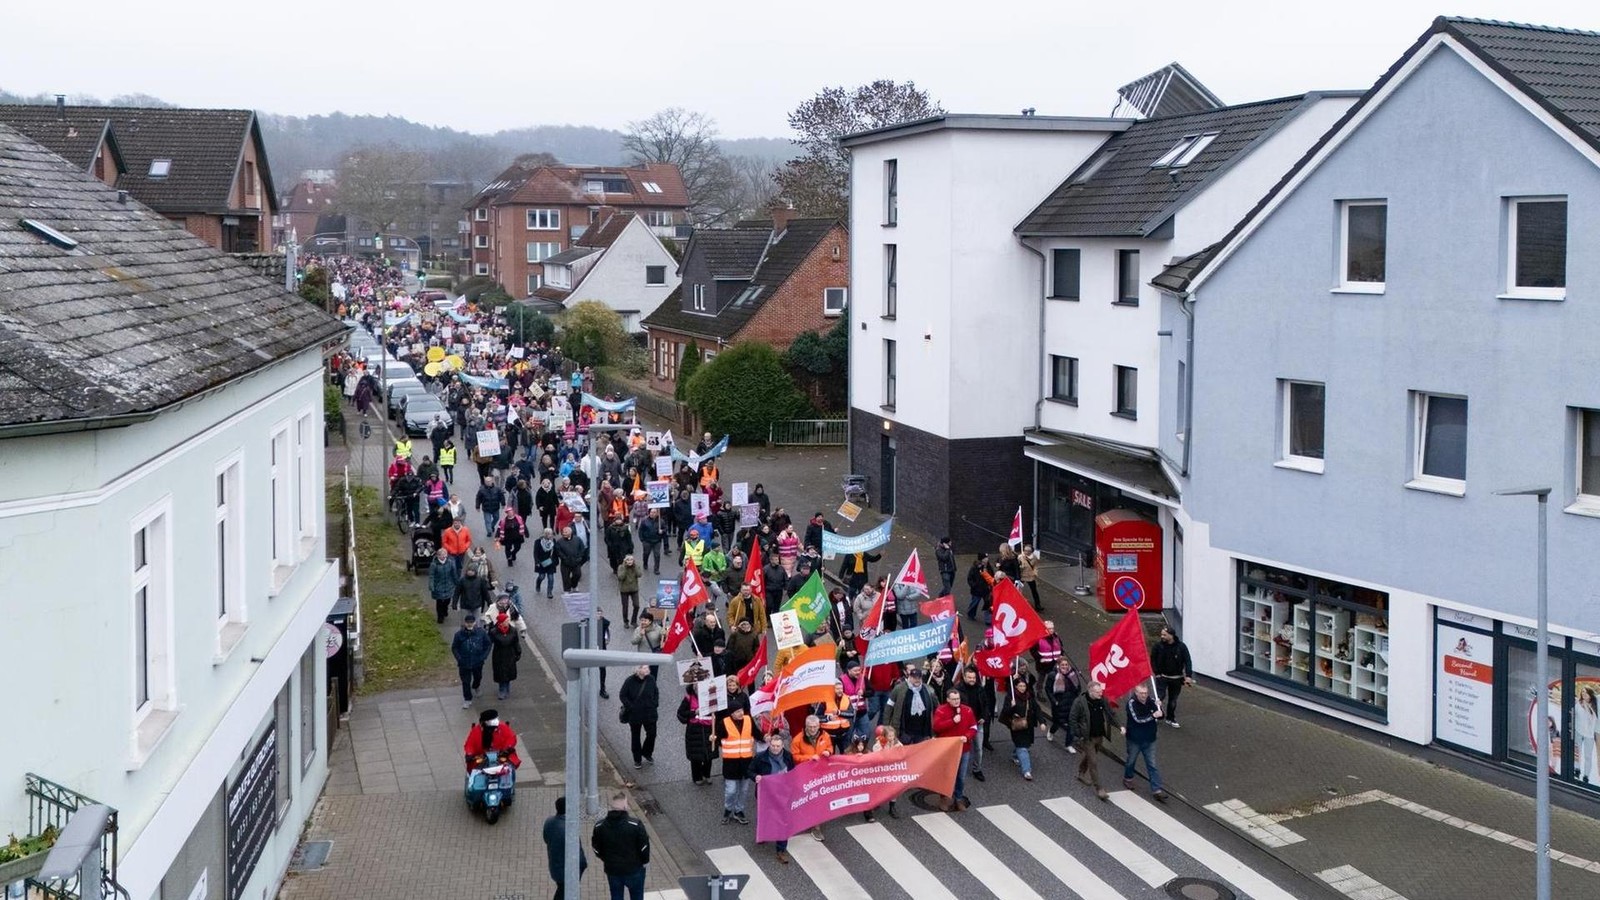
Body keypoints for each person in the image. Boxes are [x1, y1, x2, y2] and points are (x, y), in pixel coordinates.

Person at [591, 792, 650, 900]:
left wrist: (605, 858)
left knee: (616, 896)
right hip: (634, 869)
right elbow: (644, 847)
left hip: (613, 870)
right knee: (637, 896)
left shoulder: (600, 826)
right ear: (624, 807)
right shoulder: (635, 825)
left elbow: (596, 847)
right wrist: (645, 861)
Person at [1070, 680, 1120, 800]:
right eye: (1098, 692)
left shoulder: (1102, 700)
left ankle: (1081, 773)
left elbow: (1110, 714)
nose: (1100, 694)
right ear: (1090, 691)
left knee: (1088, 756)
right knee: (1093, 762)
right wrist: (1079, 734)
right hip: (1087, 737)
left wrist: (1120, 726)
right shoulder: (1080, 702)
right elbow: (1072, 718)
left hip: (1099, 735)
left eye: (1101, 691)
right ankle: (1099, 788)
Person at [750, 733, 796, 863]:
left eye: (778, 746)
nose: (775, 748)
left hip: (783, 794)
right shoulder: (760, 758)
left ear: (782, 746)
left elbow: (793, 772)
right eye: (773, 746)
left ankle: (781, 849)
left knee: (783, 820)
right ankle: (764, 833)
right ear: (769, 745)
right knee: (765, 816)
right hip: (766, 793)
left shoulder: (788, 756)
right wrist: (756, 777)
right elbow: (750, 771)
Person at [932, 688, 977, 811]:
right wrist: (952, 721)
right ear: (948, 700)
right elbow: (936, 727)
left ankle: (958, 798)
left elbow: (973, 727)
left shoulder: (967, 710)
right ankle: (944, 798)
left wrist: (967, 737)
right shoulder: (941, 710)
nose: (957, 701)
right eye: (954, 699)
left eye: (958, 699)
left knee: (961, 776)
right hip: (947, 750)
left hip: (964, 749)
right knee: (946, 775)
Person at [1122, 682, 1167, 799]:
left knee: (1152, 764)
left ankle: (1156, 789)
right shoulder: (1131, 704)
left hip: (1150, 738)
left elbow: (1161, 716)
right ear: (1136, 693)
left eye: (1146, 693)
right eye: (1141, 693)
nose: (1144, 695)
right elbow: (1137, 719)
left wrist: (1159, 707)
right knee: (1131, 761)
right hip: (1135, 739)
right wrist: (1153, 716)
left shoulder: (1151, 700)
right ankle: (1128, 778)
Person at [719, 705, 757, 825]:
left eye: (741, 710)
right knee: (731, 790)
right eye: (737, 711)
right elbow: (717, 737)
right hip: (731, 764)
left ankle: (739, 811)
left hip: (746, 763)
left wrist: (764, 737)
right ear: (731, 714)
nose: (740, 713)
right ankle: (728, 809)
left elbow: (756, 733)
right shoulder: (723, 723)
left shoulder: (748, 720)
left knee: (744, 790)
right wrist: (713, 738)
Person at [542, 796, 586, 900]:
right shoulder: (570, 829)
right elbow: (578, 855)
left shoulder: (549, 821)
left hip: (555, 866)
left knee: (562, 890)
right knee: (563, 893)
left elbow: (546, 838)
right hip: (567, 871)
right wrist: (582, 865)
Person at [1151, 626, 1195, 727]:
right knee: (1159, 697)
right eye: (1161, 634)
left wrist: (1188, 675)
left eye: (1164, 635)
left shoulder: (1181, 647)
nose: (1162, 636)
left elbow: (1188, 661)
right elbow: (1153, 659)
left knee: (1173, 700)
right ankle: (1157, 714)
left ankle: (1170, 718)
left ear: (1171, 635)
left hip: (1176, 678)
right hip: (1162, 677)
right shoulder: (1158, 646)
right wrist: (1157, 673)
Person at [619, 665, 659, 769]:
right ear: (638, 670)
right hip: (635, 714)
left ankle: (646, 752)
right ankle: (637, 759)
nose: (648, 670)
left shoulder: (651, 679)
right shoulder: (629, 681)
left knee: (652, 734)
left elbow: (656, 691)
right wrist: (631, 707)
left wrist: (655, 703)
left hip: (650, 712)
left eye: (647, 668)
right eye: (644, 668)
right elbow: (622, 695)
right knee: (635, 737)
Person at [885, 666, 937, 744]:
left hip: (922, 732)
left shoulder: (929, 690)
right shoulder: (898, 689)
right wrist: (886, 726)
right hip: (904, 731)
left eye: (919, 678)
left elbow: (937, 708)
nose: (917, 680)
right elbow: (889, 707)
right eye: (914, 678)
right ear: (909, 677)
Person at [1001, 681, 1041, 780]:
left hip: (1028, 726)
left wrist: (1042, 722)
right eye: (1020, 686)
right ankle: (1027, 770)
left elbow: (1037, 709)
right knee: (1022, 747)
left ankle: (1015, 755)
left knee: (1025, 745)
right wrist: (1011, 706)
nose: (1022, 688)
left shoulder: (1029, 697)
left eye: (1024, 686)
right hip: (1017, 726)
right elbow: (1005, 712)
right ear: (1016, 687)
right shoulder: (1011, 697)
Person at [678, 685, 717, 785]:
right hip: (695, 730)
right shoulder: (689, 698)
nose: (698, 687)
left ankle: (706, 774)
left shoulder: (712, 696)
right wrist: (694, 712)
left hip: (709, 728)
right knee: (696, 755)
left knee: (709, 753)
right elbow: (681, 713)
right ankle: (697, 777)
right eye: (696, 685)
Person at [451, 614, 492, 708]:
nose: (469, 624)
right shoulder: (458, 635)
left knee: (478, 677)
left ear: (475, 623)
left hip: (477, 661)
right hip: (464, 663)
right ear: (464, 623)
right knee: (465, 682)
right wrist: (459, 658)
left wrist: (483, 656)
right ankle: (467, 699)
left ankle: (476, 686)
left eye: (471, 622)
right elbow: (454, 648)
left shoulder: (481, 633)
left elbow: (488, 645)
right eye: (468, 622)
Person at [1045, 657, 1081, 749]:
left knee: (1071, 724)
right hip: (1059, 705)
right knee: (1057, 723)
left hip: (1071, 703)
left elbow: (1078, 687)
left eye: (1066, 664)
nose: (1064, 666)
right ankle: (1052, 731)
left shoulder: (1072, 674)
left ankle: (1068, 744)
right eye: (1062, 665)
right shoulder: (1053, 675)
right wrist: (1054, 701)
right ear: (1058, 665)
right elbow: (1048, 690)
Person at [489, 612, 522, 700]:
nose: (508, 621)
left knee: (508, 672)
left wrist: (518, 652)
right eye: (506, 620)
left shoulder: (513, 630)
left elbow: (516, 642)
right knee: (501, 673)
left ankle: (506, 688)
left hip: (510, 654)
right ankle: (502, 690)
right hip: (499, 655)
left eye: (508, 620)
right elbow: (488, 643)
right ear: (501, 622)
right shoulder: (494, 632)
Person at [631, 612, 665, 679]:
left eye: (645, 620)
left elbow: (664, 640)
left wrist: (665, 635)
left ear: (650, 621)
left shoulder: (658, 629)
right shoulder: (638, 629)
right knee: (642, 675)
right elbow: (633, 642)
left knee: (653, 676)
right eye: (641, 620)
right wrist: (640, 635)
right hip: (642, 657)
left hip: (654, 656)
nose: (643, 622)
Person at [555, 525, 587, 592]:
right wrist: (564, 558)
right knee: (565, 577)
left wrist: (579, 557)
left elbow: (582, 549)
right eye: (563, 532)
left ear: (570, 532)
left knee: (577, 574)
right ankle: (567, 590)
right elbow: (558, 551)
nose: (564, 533)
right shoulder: (559, 542)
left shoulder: (577, 539)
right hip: (565, 563)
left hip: (576, 562)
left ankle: (574, 585)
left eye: (566, 532)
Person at [428, 549, 456, 624]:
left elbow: (453, 574)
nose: (443, 556)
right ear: (438, 556)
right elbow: (431, 576)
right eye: (441, 555)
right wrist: (431, 585)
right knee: (439, 602)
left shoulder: (450, 563)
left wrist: (456, 583)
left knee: (447, 600)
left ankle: (445, 609)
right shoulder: (434, 564)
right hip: (438, 585)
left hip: (448, 585)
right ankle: (440, 617)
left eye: (445, 554)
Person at [617, 554, 643, 627]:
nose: (629, 561)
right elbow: (620, 577)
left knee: (637, 605)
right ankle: (625, 621)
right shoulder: (621, 567)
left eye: (631, 560)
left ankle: (633, 621)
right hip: (624, 590)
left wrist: (634, 567)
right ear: (625, 561)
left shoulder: (636, 566)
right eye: (628, 560)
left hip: (634, 589)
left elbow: (639, 574)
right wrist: (625, 567)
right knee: (625, 606)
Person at [966, 552, 993, 620]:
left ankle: (988, 619)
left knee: (988, 603)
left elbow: (992, 574)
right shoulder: (975, 567)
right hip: (977, 590)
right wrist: (974, 585)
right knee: (975, 603)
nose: (987, 559)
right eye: (985, 558)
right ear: (981, 559)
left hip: (986, 589)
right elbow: (970, 578)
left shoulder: (988, 566)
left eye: (987, 557)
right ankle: (971, 614)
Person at [533, 528, 559, 599]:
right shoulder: (538, 542)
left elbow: (556, 552)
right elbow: (535, 553)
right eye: (548, 534)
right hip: (541, 563)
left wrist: (556, 561)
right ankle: (538, 584)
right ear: (545, 534)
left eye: (551, 534)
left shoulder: (553, 541)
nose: (550, 535)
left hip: (551, 562)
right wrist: (537, 562)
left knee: (551, 578)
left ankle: (549, 592)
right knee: (542, 576)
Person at [639, 508, 664, 574]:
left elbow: (665, 529)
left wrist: (662, 531)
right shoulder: (644, 521)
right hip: (647, 541)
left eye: (654, 512)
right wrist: (642, 540)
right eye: (651, 512)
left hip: (657, 541)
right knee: (646, 553)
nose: (653, 514)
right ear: (649, 513)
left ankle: (656, 569)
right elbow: (640, 530)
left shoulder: (661, 521)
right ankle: (645, 563)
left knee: (657, 555)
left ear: (657, 513)